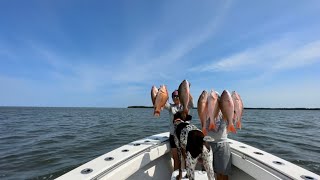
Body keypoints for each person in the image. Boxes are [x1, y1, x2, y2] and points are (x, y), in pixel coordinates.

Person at [206, 111, 232, 180]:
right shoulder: (206, 107)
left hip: (222, 144)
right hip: (208, 144)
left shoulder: (224, 107)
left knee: (223, 173)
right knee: (210, 172)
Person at [164, 90, 182, 171]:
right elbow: (164, 103)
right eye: (174, 96)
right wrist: (163, 93)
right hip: (173, 136)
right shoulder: (171, 107)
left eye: (177, 95)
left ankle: (183, 175)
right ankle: (176, 175)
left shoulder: (185, 106)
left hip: (182, 136)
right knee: (175, 158)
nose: (176, 97)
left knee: (183, 157)